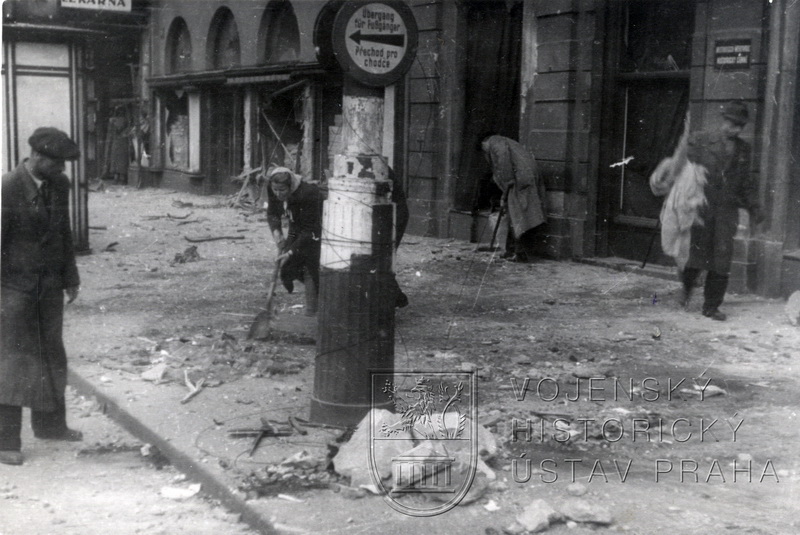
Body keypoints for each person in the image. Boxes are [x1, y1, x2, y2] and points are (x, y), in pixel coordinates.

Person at [1, 127, 83, 466]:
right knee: (12, 361)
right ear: (36, 157)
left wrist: (70, 277)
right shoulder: (6, 188)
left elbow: (62, 232)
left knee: (52, 355)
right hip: (13, 289)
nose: (63, 170)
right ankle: (5, 441)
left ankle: (50, 425)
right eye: (57, 163)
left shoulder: (58, 186)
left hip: (48, 287)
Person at [679, 100, 763, 321]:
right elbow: (683, 170)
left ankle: (711, 306)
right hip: (702, 208)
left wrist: (755, 208)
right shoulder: (701, 140)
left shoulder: (744, 149)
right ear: (722, 120)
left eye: (738, 125)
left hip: (727, 212)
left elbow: (746, 183)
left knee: (722, 259)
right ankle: (686, 290)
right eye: (730, 122)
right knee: (697, 256)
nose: (733, 128)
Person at [479, 134, 547, 262]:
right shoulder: (505, 141)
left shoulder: (494, 141)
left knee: (520, 217)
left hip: (521, 180)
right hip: (525, 178)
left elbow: (503, 158)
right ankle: (515, 251)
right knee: (524, 215)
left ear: (484, 144)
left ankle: (519, 252)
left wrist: (508, 180)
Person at [266, 167, 323, 316]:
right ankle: (320, 300)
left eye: (282, 190)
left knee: (310, 265)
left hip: (318, 229)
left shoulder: (308, 193)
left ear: (290, 186)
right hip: (297, 225)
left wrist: (291, 251)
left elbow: (310, 229)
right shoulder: (271, 187)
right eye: (275, 190)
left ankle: (312, 311)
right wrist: (276, 231)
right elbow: (272, 212)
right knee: (292, 265)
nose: (278, 194)